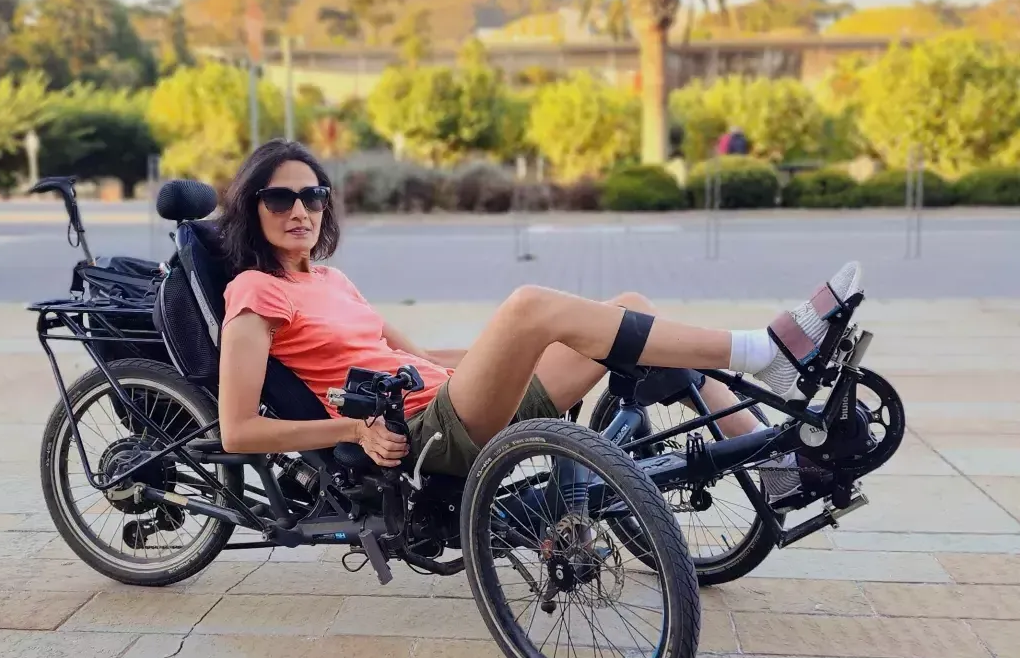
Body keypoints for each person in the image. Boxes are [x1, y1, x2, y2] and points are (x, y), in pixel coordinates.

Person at [216, 139, 862, 473]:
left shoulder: (333, 280)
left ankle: (769, 459)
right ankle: (760, 349)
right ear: (254, 207)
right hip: (422, 434)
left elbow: (416, 356)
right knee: (528, 304)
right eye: (280, 199)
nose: (299, 210)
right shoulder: (254, 292)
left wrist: (505, 352)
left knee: (631, 306)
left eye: (313, 194)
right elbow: (238, 431)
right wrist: (354, 428)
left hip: (459, 398)